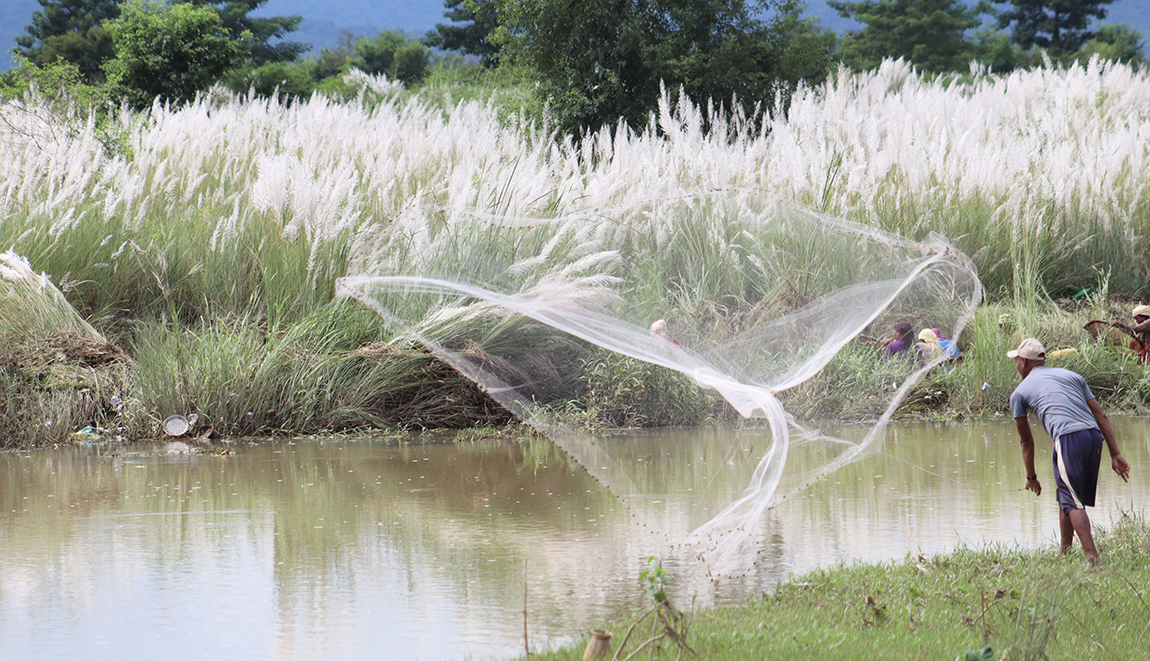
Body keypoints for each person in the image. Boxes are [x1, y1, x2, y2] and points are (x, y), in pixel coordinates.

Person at [1008, 338, 1131, 566]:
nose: (1015, 364)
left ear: (1023, 362)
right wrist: (1115, 454)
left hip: (1067, 438)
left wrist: (1031, 477)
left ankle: (1091, 557)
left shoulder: (1019, 392)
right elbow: (1100, 416)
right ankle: (1065, 551)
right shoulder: (1072, 376)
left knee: (1073, 500)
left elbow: (1026, 441)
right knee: (1066, 493)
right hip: (1093, 436)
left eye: (1016, 360)